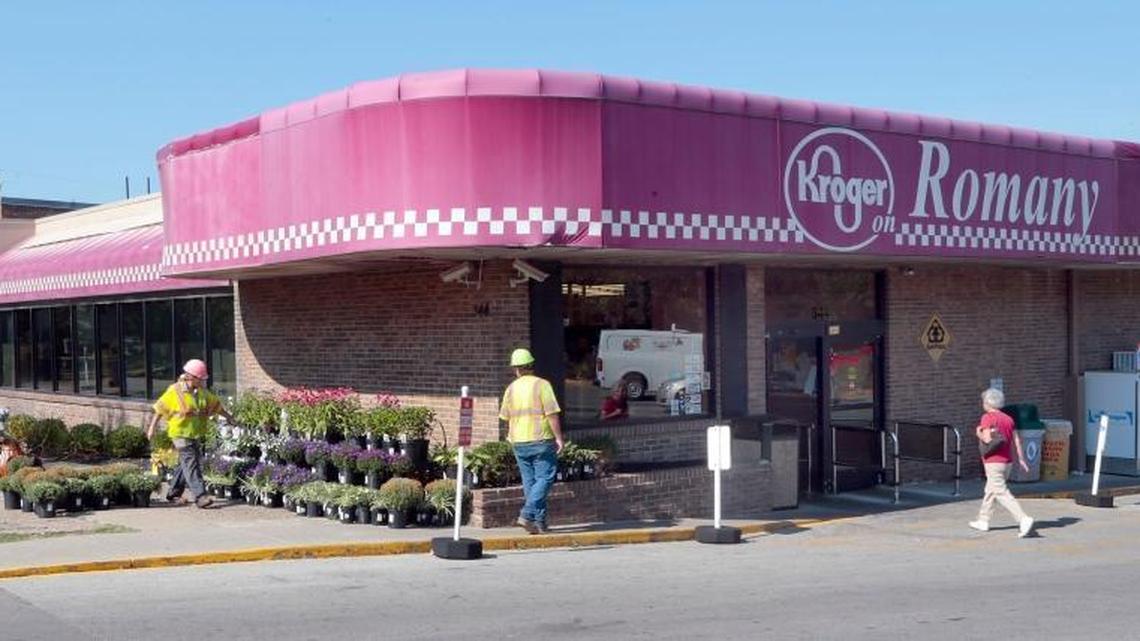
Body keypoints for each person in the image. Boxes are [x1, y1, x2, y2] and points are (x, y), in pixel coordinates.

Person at [146, 359, 233, 508]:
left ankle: (173, 493)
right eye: (201, 378)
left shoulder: (201, 392)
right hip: (179, 434)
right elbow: (159, 408)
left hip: (195, 433)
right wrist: (152, 428)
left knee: (185, 464)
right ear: (191, 377)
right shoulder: (175, 391)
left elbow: (216, 406)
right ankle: (200, 496)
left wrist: (230, 417)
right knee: (191, 463)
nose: (203, 381)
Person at [499, 347, 565, 534]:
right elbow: (551, 414)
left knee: (531, 483)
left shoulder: (511, 389)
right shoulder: (542, 385)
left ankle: (540, 522)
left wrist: (511, 438)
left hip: (519, 441)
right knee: (545, 478)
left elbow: (505, 417)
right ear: (531, 365)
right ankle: (527, 514)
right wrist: (559, 438)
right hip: (541, 440)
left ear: (516, 368)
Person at [970, 388, 1034, 537]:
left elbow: (986, 439)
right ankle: (983, 520)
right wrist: (1022, 459)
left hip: (993, 461)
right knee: (991, 490)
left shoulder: (987, 418)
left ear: (988, 403)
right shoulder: (1009, 419)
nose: (983, 404)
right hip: (1007, 462)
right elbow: (1016, 439)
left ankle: (1023, 518)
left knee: (1000, 491)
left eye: (984, 401)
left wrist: (978, 432)